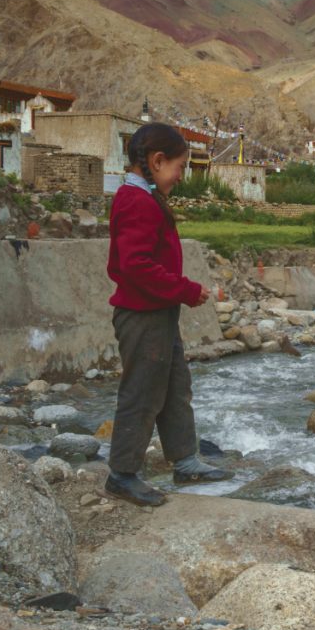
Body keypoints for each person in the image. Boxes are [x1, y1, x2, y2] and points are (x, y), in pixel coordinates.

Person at [103, 122, 234, 507]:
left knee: (176, 388)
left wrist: (178, 293)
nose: (180, 176)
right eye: (179, 167)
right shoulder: (136, 201)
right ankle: (122, 474)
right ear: (157, 161)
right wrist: (187, 290)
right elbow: (137, 266)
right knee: (142, 393)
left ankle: (185, 459)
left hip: (158, 313)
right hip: (142, 316)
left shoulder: (145, 196)